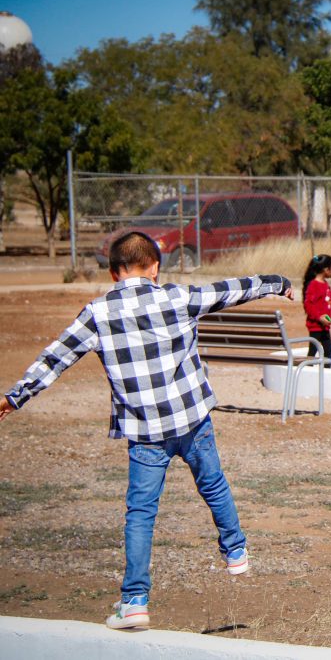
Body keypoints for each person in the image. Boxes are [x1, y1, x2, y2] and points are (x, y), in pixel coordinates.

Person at [0, 231, 294, 631]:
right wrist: (280, 284)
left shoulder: (97, 313)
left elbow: (56, 356)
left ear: (112, 273)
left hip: (145, 433)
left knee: (140, 514)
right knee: (214, 484)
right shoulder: (176, 297)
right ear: (155, 268)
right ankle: (236, 551)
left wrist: (15, 397)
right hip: (192, 421)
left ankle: (135, 600)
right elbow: (233, 289)